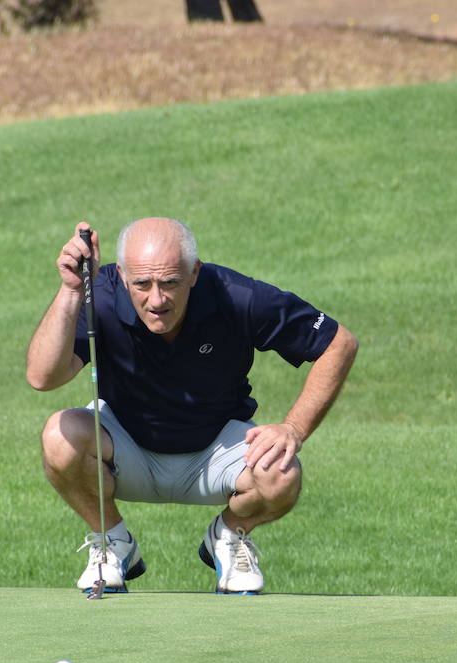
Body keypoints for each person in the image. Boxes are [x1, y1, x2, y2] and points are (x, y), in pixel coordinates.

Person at [26, 218, 358, 594]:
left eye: (170, 283)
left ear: (194, 272)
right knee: (59, 435)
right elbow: (42, 377)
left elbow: (338, 343)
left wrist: (294, 429)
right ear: (120, 274)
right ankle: (112, 542)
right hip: (126, 447)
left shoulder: (235, 295)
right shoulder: (97, 296)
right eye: (142, 284)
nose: (156, 299)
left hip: (215, 451)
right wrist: (72, 291)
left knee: (282, 474)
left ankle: (230, 537)